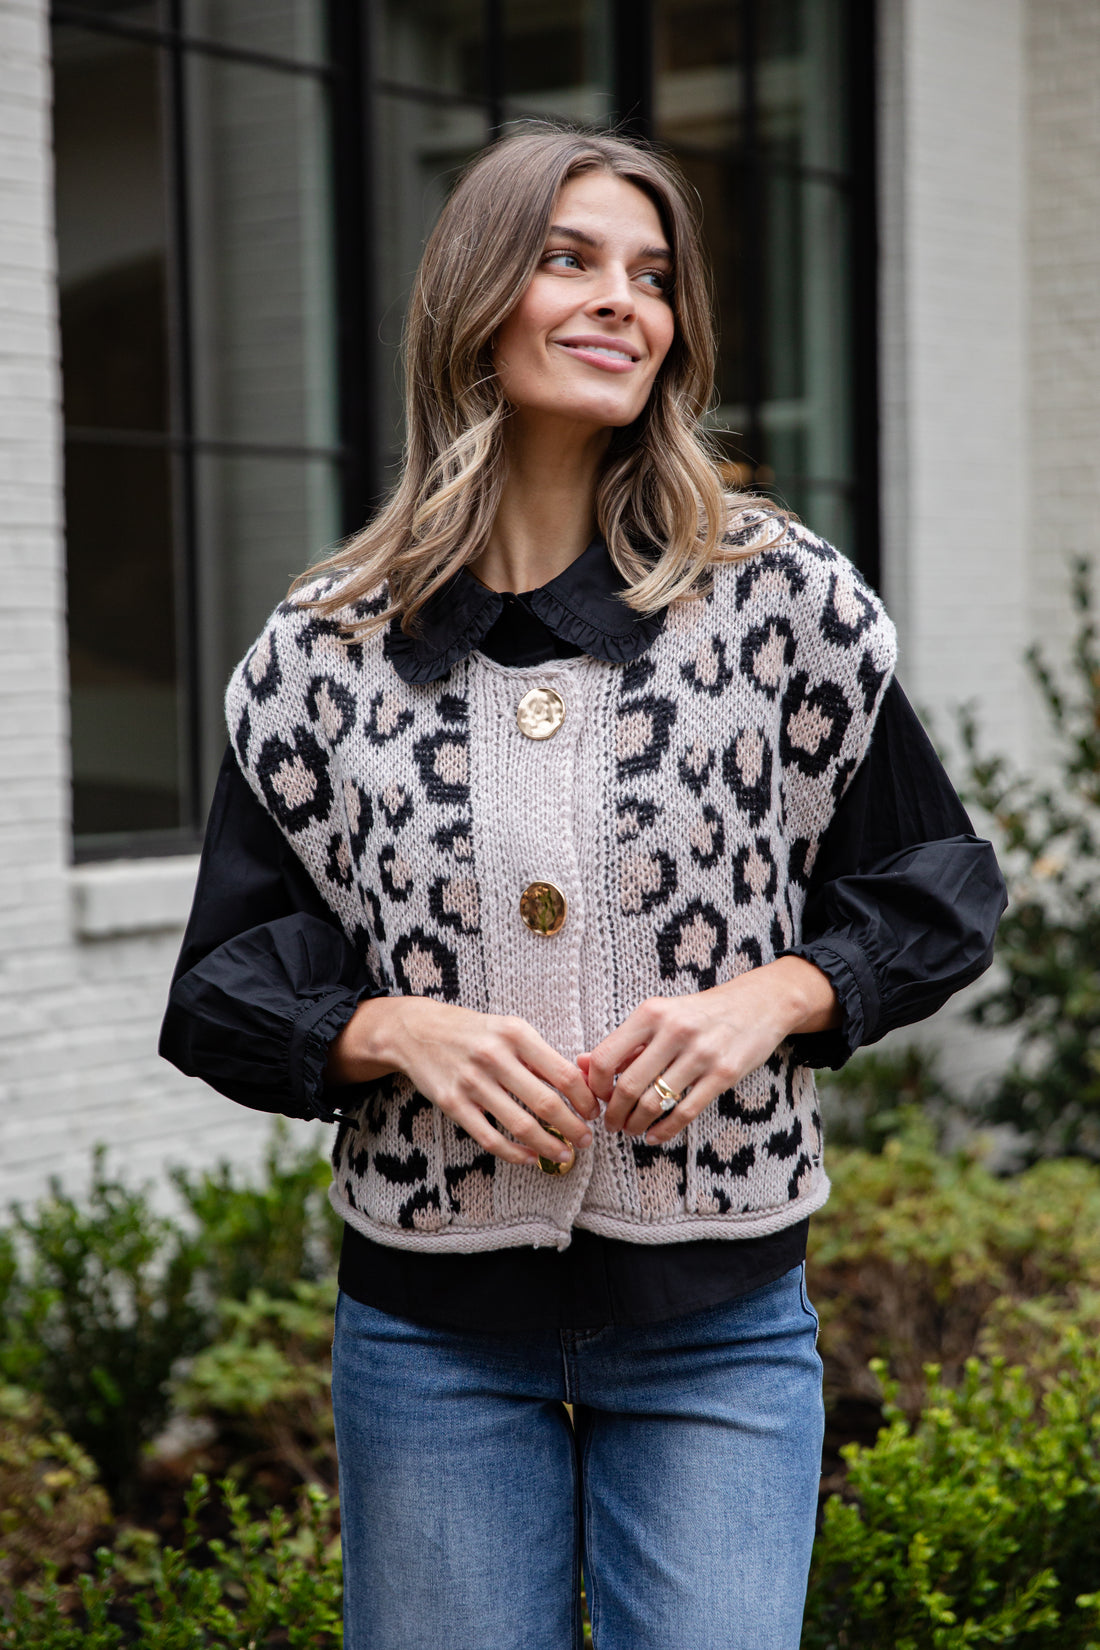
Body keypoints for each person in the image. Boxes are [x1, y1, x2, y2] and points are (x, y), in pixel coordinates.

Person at [160, 123, 1007, 1650]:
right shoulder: (322, 656)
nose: (625, 299)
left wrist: (779, 994)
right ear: (476, 298)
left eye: (654, 275)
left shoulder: (776, 601)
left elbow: (938, 883)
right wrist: (391, 1030)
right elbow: (223, 985)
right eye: (570, 258)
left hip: (719, 1335)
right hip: (430, 1340)